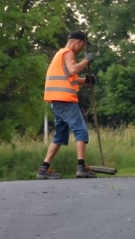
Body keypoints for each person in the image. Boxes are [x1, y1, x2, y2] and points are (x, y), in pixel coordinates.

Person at [36, 30, 97, 179]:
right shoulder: (68, 53)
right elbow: (73, 69)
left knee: (60, 136)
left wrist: (86, 81)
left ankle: (43, 169)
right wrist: (86, 61)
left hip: (56, 102)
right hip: (65, 101)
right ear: (78, 42)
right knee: (81, 131)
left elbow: (71, 79)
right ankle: (81, 167)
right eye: (83, 45)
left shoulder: (60, 55)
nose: (82, 49)